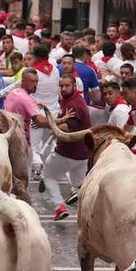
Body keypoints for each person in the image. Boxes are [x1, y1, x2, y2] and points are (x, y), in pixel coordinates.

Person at [44, 74, 90, 221]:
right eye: (61, 85)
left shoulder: (73, 104)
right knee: (79, 186)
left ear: (75, 86)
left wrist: (54, 127)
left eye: (67, 86)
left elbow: (71, 126)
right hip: (82, 155)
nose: (63, 89)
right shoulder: (72, 100)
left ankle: (59, 206)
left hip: (66, 153)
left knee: (48, 176)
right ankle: (91, 211)